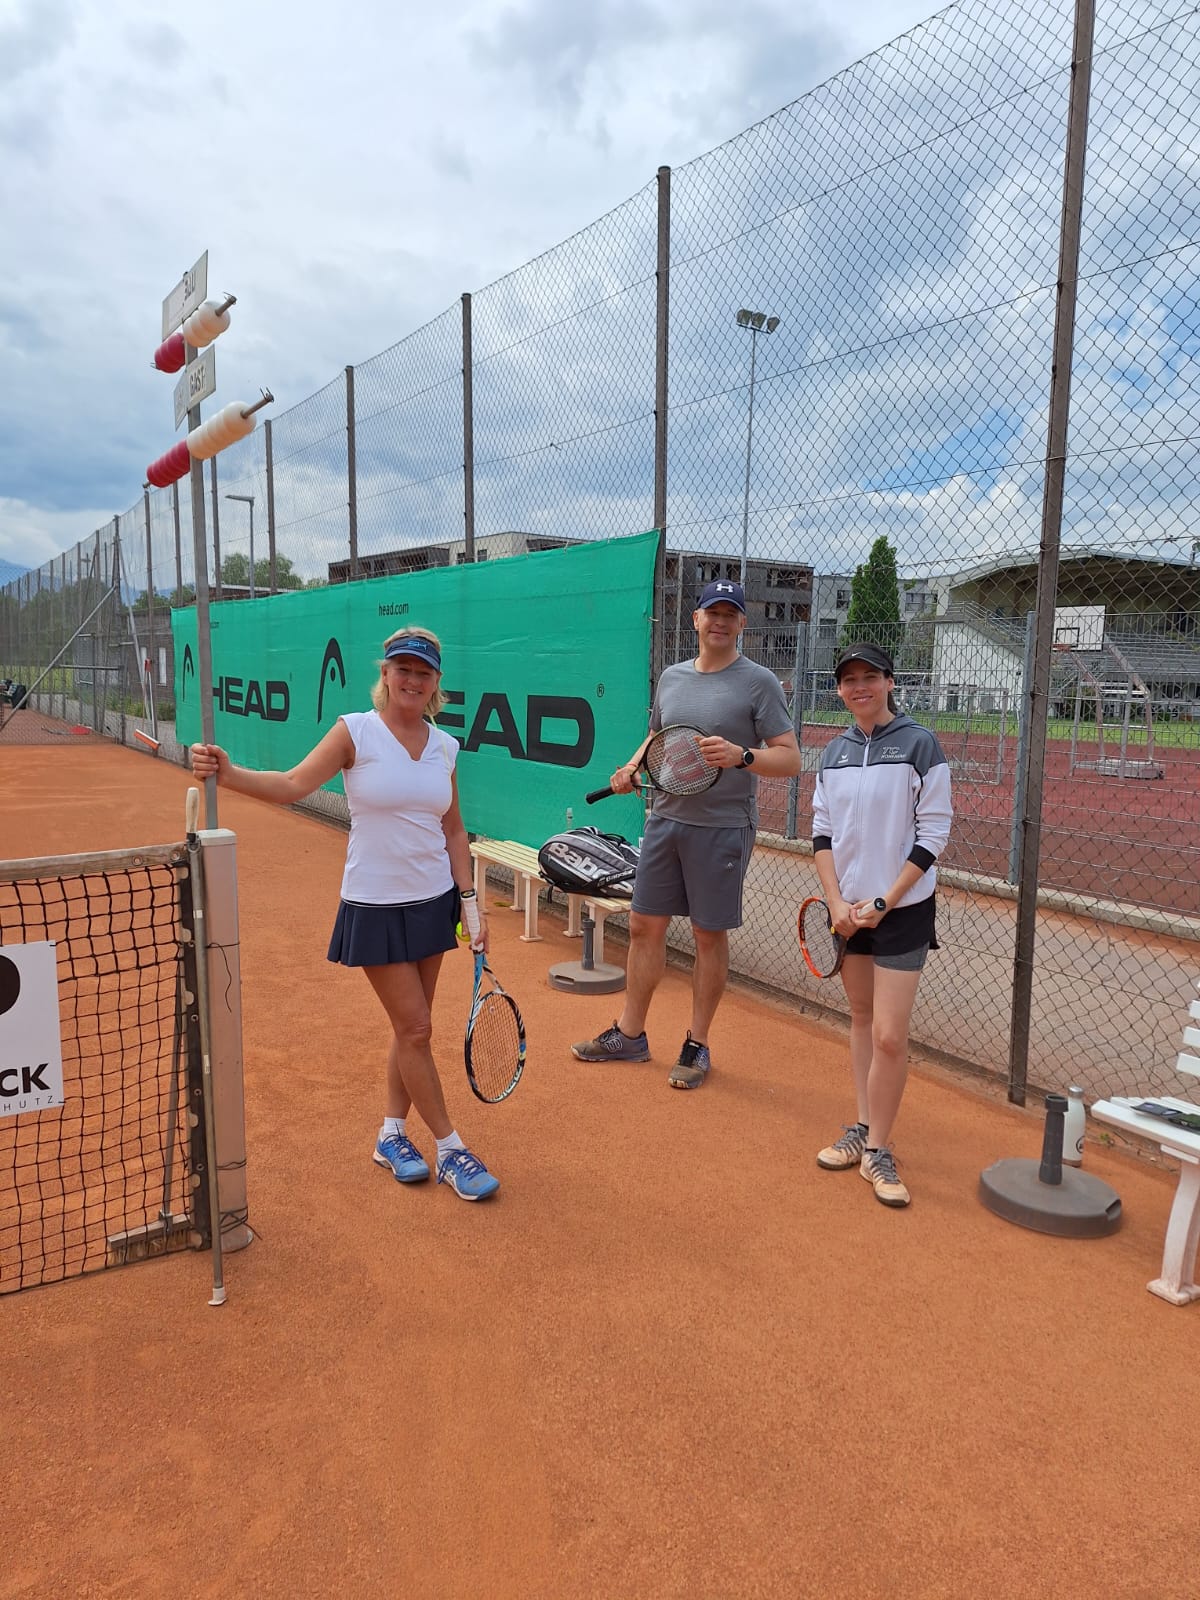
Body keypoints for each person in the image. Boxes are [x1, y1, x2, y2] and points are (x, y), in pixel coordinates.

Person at [190, 627, 500, 1202]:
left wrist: (469, 900)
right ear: (385, 673)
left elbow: (454, 829)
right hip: (375, 905)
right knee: (416, 1028)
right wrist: (228, 775)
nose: (412, 680)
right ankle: (451, 1149)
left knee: (410, 1030)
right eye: (402, 669)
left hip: (433, 902)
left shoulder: (445, 747)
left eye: (423, 672)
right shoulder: (354, 731)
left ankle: (391, 1135)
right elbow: (292, 784)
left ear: (436, 683)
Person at [572, 578, 801, 1088]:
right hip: (665, 818)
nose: (720, 621)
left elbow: (791, 758)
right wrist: (632, 767)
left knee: (706, 934)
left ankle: (697, 1044)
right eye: (711, 612)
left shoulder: (759, 682)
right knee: (642, 926)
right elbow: (658, 735)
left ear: (742, 624)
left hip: (722, 827)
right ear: (695, 619)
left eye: (730, 614)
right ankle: (630, 1035)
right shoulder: (672, 678)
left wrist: (743, 756)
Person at [812, 642, 953, 1208]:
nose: (859, 687)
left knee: (891, 1034)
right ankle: (863, 1127)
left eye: (869, 677)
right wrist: (835, 903)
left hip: (903, 910)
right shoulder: (834, 752)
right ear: (839, 690)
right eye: (849, 679)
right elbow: (822, 832)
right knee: (862, 1018)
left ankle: (878, 1150)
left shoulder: (920, 745)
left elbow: (934, 833)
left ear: (890, 682)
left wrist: (885, 901)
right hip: (848, 913)